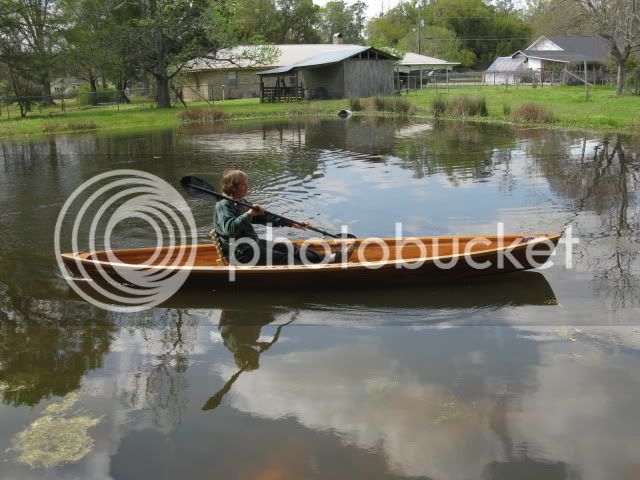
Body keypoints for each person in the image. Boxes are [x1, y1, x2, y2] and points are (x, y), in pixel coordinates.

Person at [213, 169, 346, 265]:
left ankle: (330, 259)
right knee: (286, 259)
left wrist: (291, 223)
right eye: (244, 184)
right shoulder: (224, 205)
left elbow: (265, 218)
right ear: (234, 187)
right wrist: (249, 214)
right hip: (241, 252)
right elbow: (229, 229)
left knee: (289, 248)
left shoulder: (239, 202)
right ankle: (312, 273)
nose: (248, 186)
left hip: (252, 243)